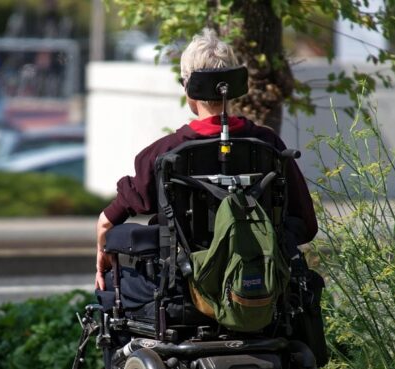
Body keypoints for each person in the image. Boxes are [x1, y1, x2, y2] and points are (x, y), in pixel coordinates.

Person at [94, 29, 317, 291]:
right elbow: (306, 224)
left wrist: (102, 258)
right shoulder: (268, 146)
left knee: (112, 283)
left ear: (188, 86)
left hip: (182, 288)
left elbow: (106, 222)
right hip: (259, 286)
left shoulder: (164, 153)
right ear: (235, 85)